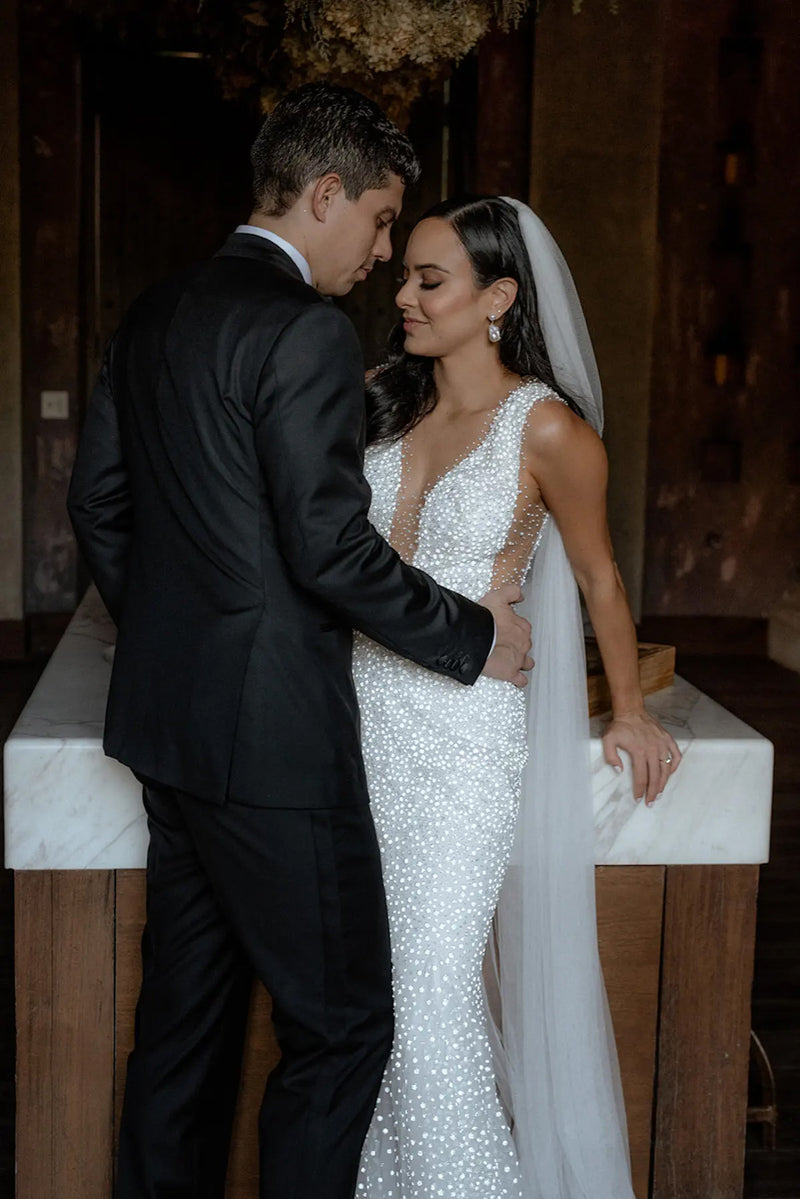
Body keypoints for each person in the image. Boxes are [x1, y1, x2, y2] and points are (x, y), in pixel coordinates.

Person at [67, 89, 532, 1199]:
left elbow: (99, 504)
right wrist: (472, 636)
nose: (380, 254)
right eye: (377, 221)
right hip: (274, 742)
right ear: (323, 194)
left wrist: (187, 635)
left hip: (169, 731)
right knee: (339, 1030)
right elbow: (329, 550)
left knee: (183, 1029)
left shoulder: (157, 309)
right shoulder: (304, 329)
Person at [352, 195, 682, 1199]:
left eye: (427, 278)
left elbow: (598, 580)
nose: (401, 293)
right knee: (369, 993)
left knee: (429, 988)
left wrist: (625, 708)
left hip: (460, 737)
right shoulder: (378, 399)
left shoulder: (543, 426)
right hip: (352, 715)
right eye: (402, 273)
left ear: (496, 296)